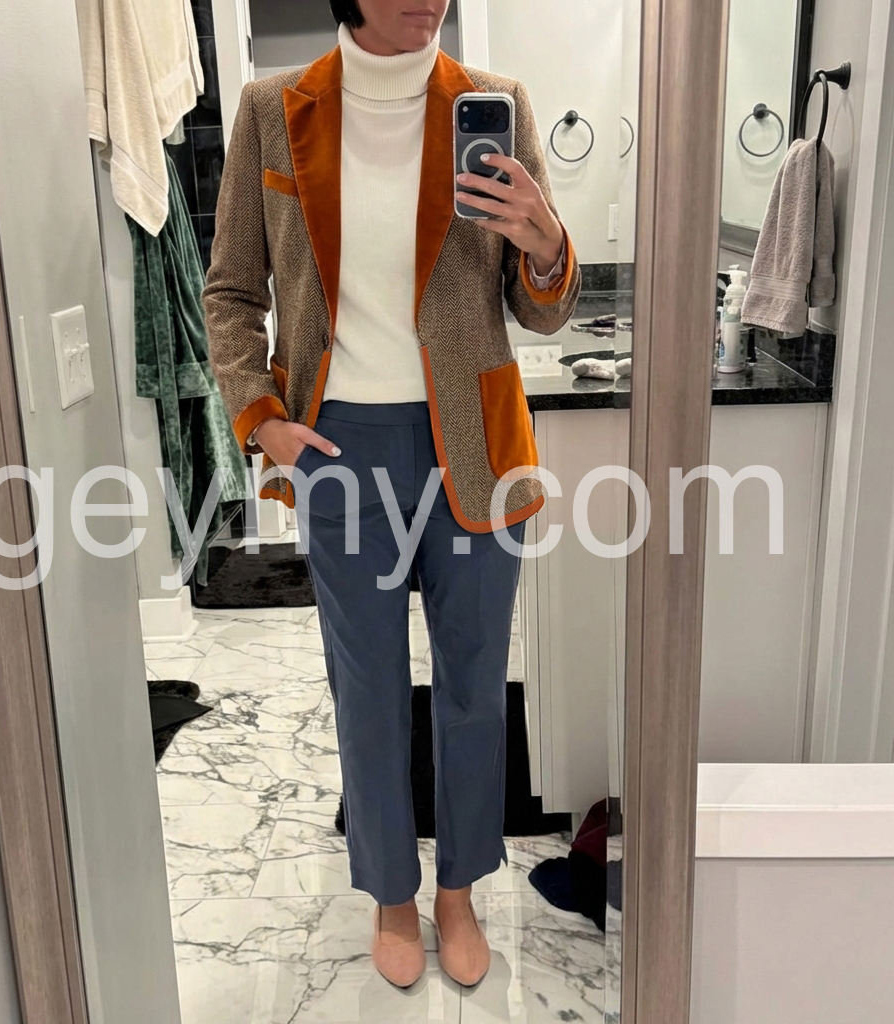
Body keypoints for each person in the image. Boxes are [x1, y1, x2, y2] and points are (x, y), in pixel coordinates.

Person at [203, 0, 579, 990]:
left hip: (475, 443)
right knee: (366, 687)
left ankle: (458, 888)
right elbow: (232, 290)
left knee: (473, 682)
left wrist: (545, 239)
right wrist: (260, 417)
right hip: (338, 446)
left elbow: (538, 309)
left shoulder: (494, 103)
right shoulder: (271, 110)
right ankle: (392, 893)